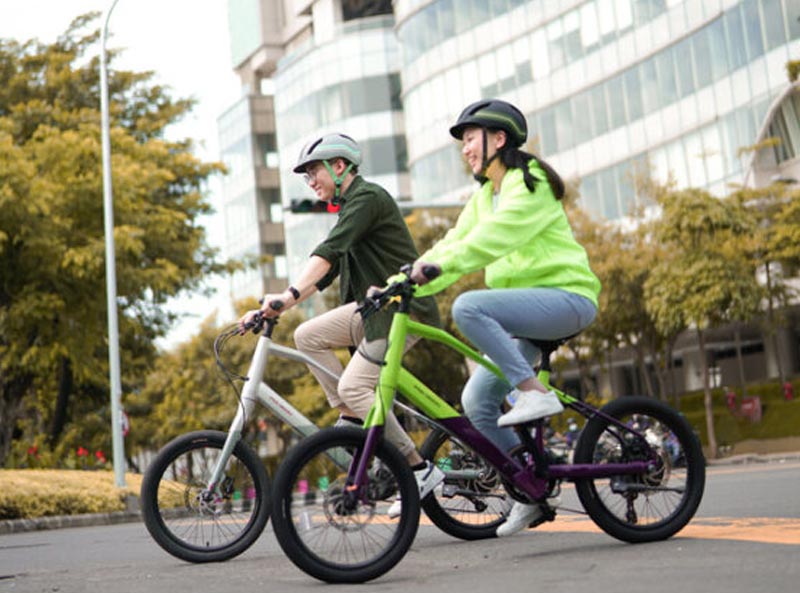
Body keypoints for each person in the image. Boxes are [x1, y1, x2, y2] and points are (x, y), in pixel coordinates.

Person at [410, 99, 601, 536]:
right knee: (476, 402)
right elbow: (454, 243)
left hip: (566, 298)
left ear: (498, 138)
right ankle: (531, 489)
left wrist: (435, 270)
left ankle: (533, 392)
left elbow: (492, 239)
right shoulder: (485, 196)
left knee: (469, 306)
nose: (465, 150)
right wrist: (405, 280)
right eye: (461, 143)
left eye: (470, 139)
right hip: (528, 313)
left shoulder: (527, 183)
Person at [239, 133, 444, 509]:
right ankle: (350, 415)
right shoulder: (350, 207)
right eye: (305, 177)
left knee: (354, 386)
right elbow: (325, 274)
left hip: (401, 312)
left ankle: (417, 468)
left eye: (314, 171)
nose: (311, 181)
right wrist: (273, 307)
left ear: (339, 166)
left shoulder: (366, 198)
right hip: (373, 313)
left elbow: (328, 254)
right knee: (307, 335)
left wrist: (286, 296)